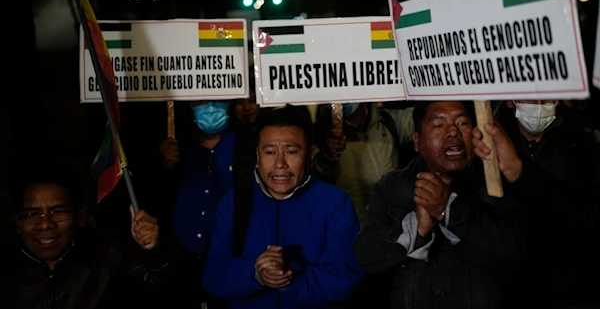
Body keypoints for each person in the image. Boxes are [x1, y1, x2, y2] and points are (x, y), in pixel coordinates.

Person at [354, 101, 540, 309]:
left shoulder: (498, 184)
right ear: (417, 141)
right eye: (438, 125)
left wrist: (449, 211)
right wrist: (417, 231)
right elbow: (366, 257)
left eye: (462, 123)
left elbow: (522, 256)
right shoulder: (391, 187)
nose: (452, 132)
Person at [201, 106, 364, 309]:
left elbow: (347, 277)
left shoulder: (335, 204)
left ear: (311, 154)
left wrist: (290, 274)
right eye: (270, 152)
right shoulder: (233, 203)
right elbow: (212, 276)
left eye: (291, 152)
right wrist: (256, 274)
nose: (280, 163)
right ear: (257, 155)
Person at [0, 162, 181, 309]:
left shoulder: (108, 255)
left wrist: (153, 250)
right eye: (32, 215)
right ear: (17, 222)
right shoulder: (5, 270)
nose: (46, 224)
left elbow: (167, 287)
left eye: (58, 212)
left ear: (80, 215)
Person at [499, 100, 600, 309]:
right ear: (509, 100)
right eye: (528, 96)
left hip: (576, 290)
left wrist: (520, 175)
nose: (537, 103)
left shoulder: (586, 139)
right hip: (511, 291)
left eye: (545, 95)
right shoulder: (487, 142)